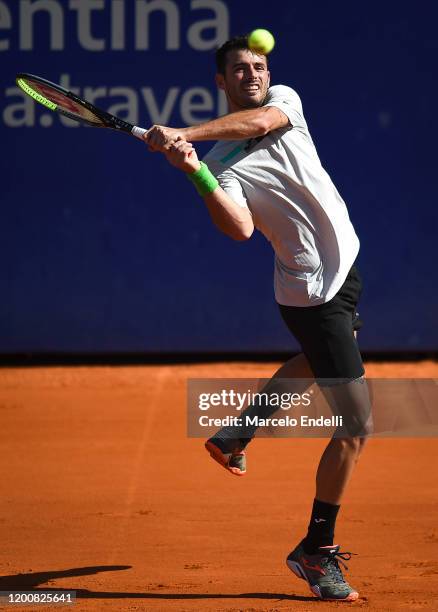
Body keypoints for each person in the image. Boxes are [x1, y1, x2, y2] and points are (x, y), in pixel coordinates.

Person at [144, 35, 373, 603]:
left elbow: (257, 122)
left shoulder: (284, 102)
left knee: (319, 364)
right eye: (240, 69)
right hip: (314, 294)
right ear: (220, 82)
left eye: (259, 65)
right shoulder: (221, 162)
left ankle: (236, 434)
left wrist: (186, 134)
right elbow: (239, 228)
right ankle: (315, 551)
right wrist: (196, 170)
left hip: (344, 272)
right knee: (356, 427)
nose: (253, 73)